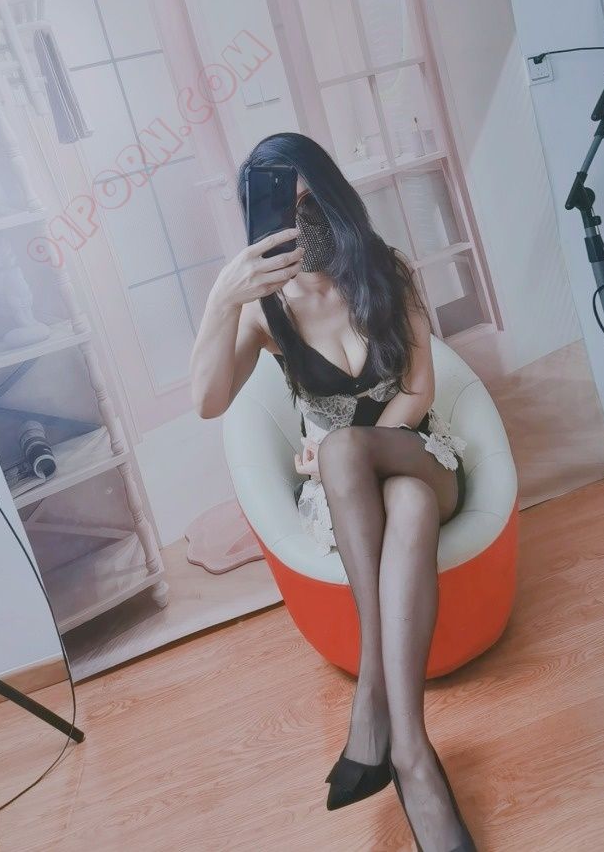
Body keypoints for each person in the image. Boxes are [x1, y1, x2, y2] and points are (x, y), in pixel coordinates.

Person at [190, 132, 475, 852]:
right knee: (400, 501)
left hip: (419, 454)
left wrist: (364, 449)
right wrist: (223, 299)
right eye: (282, 212)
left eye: (310, 205)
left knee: (355, 452)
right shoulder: (264, 311)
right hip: (349, 500)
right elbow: (208, 401)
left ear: (334, 199)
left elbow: (419, 390)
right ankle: (412, 756)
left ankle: (371, 698)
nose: (300, 224)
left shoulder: (385, 271)